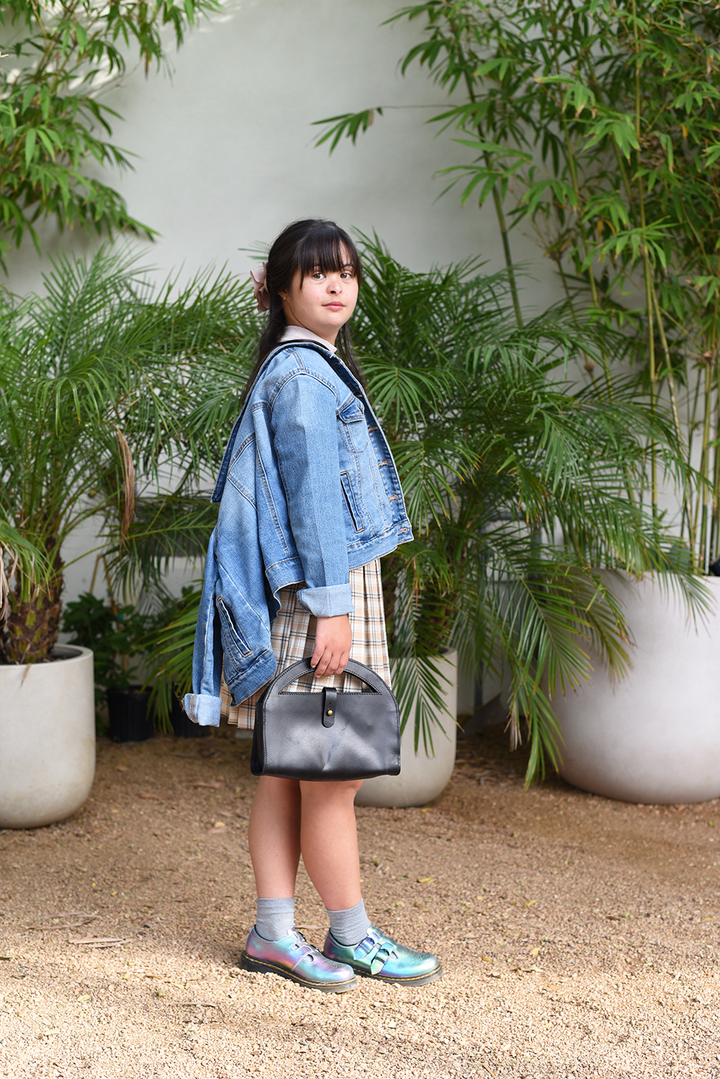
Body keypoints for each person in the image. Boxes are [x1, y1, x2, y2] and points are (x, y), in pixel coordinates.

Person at [185, 218, 442, 993]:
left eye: (347, 272)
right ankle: (353, 935)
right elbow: (313, 505)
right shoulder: (303, 377)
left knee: (288, 768)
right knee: (328, 773)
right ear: (283, 286)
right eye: (318, 272)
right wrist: (334, 606)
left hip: (306, 589)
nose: (337, 285)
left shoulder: (299, 365)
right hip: (321, 591)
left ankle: (272, 933)